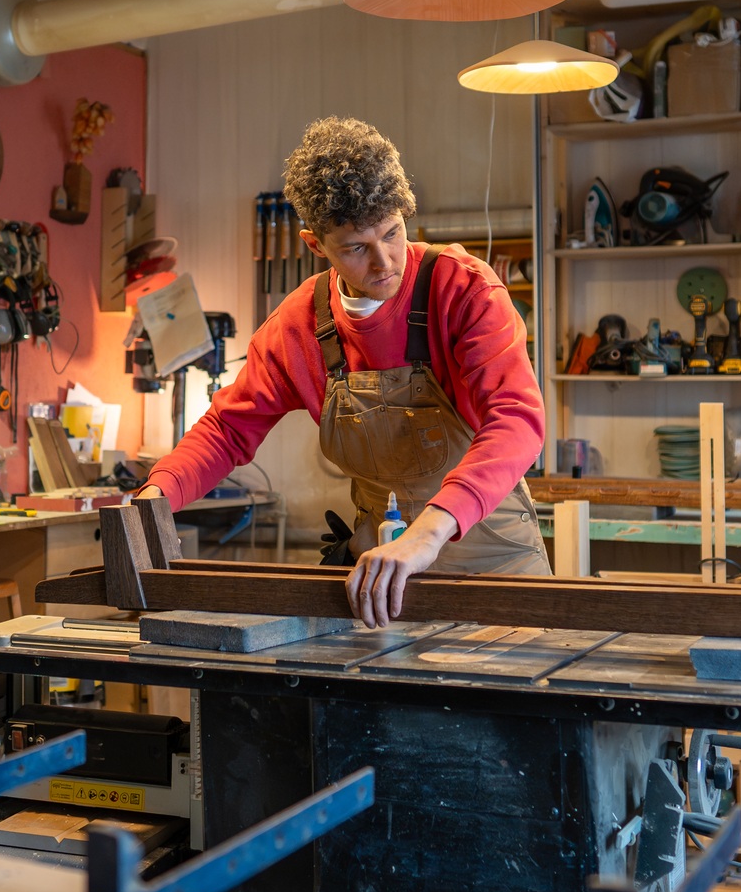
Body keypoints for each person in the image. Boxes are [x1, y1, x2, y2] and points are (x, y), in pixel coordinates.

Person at [138, 117, 548, 627]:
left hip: (495, 565)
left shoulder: (463, 290)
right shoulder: (300, 324)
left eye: (393, 233)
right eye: (357, 247)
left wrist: (427, 534)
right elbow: (227, 429)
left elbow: (516, 422)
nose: (384, 263)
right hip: (380, 577)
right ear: (316, 245)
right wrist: (154, 498)